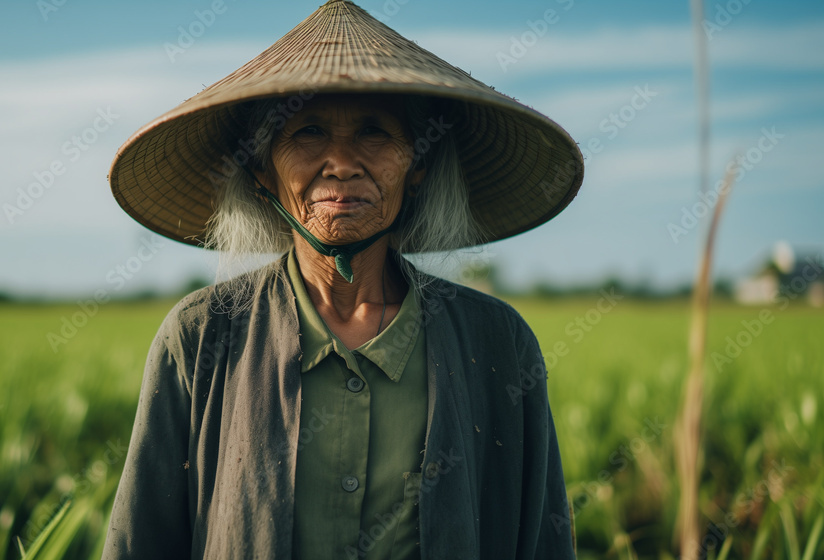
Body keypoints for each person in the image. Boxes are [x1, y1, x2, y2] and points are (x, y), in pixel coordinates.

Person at [101, 1, 583, 558]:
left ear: (417, 164)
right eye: (308, 132)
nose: (341, 163)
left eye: (375, 133)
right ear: (263, 170)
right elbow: (141, 538)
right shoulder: (201, 336)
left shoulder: (497, 341)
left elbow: (541, 539)